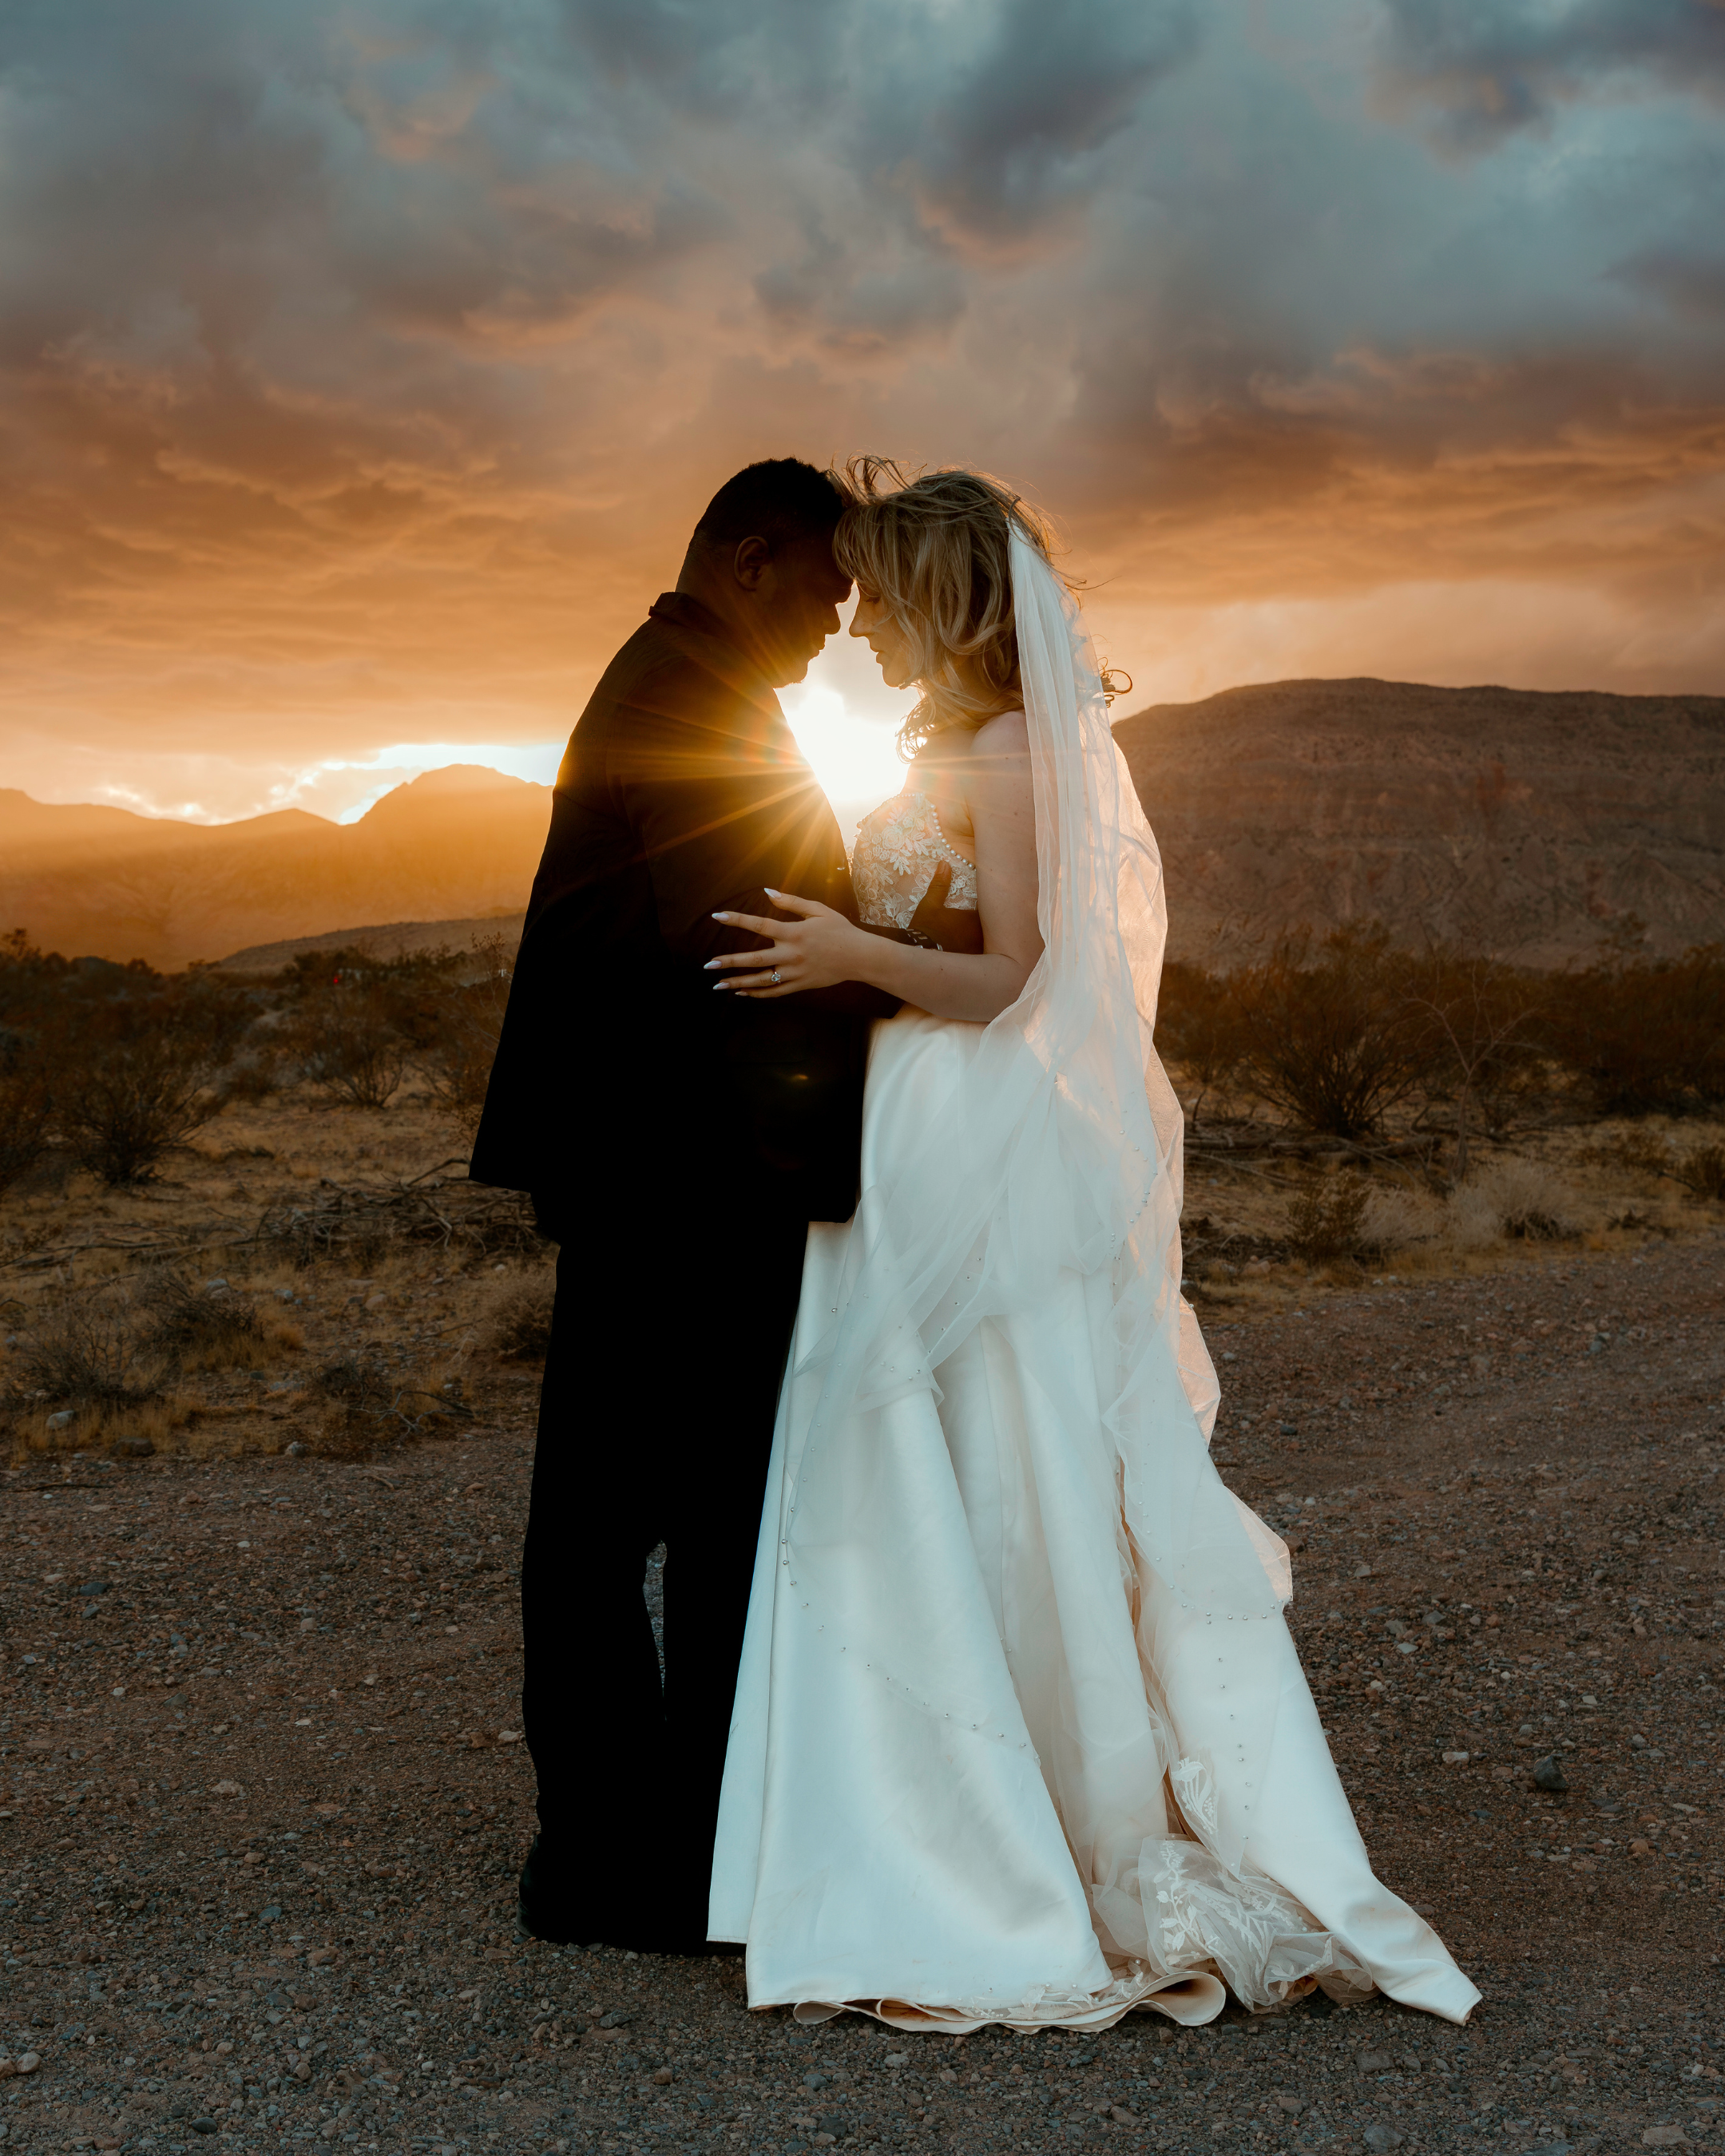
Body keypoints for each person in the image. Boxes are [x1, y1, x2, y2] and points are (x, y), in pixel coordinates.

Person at [703, 461, 1480, 2030]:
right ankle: (899, 1814)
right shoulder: (956, 737)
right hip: (912, 1118)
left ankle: (992, 1827)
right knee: (911, 1442)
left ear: (953, 600)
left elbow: (1016, 977)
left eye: (893, 601)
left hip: (965, 1109)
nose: (871, 635)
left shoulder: (1000, 744)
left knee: (976, 1440)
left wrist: (849, 950)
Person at [470, 457, 976, 1952]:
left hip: (652, 1175)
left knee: (651, 1516)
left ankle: (662, 1848)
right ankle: (638, 1863)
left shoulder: (682, 676)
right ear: (752, 558)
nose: (835, 620)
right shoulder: (693, 695)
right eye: (825, 588)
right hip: (680, 1188)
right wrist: (924, 958)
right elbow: (751, 946)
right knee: (655, 1522)